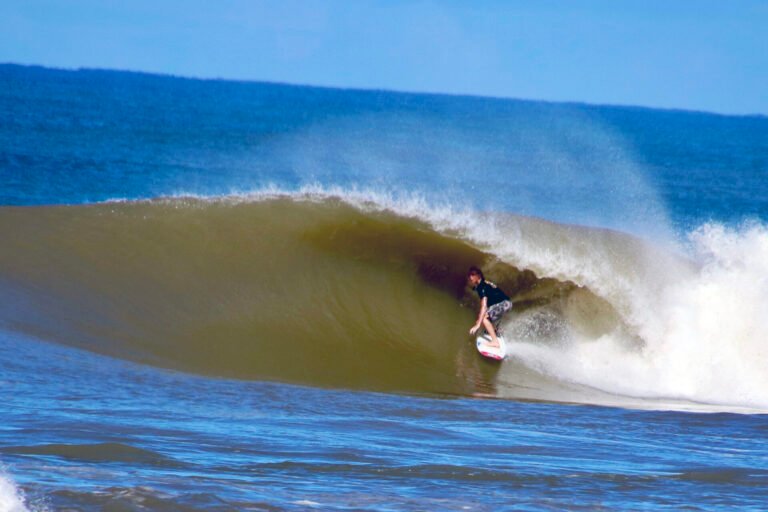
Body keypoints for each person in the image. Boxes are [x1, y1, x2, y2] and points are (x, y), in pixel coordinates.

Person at [467, 266, 512, 348]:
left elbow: (484, 306)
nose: (471, 277)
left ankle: (495, 342)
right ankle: (495, 331)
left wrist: (478, 325)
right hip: (504, 303)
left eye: (473, 275)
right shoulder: (483, 284)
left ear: (479, 275)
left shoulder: (482, 287)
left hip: (504, 304)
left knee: (484, 319)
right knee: (485, 317)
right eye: (469, 275)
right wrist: (479, 320)